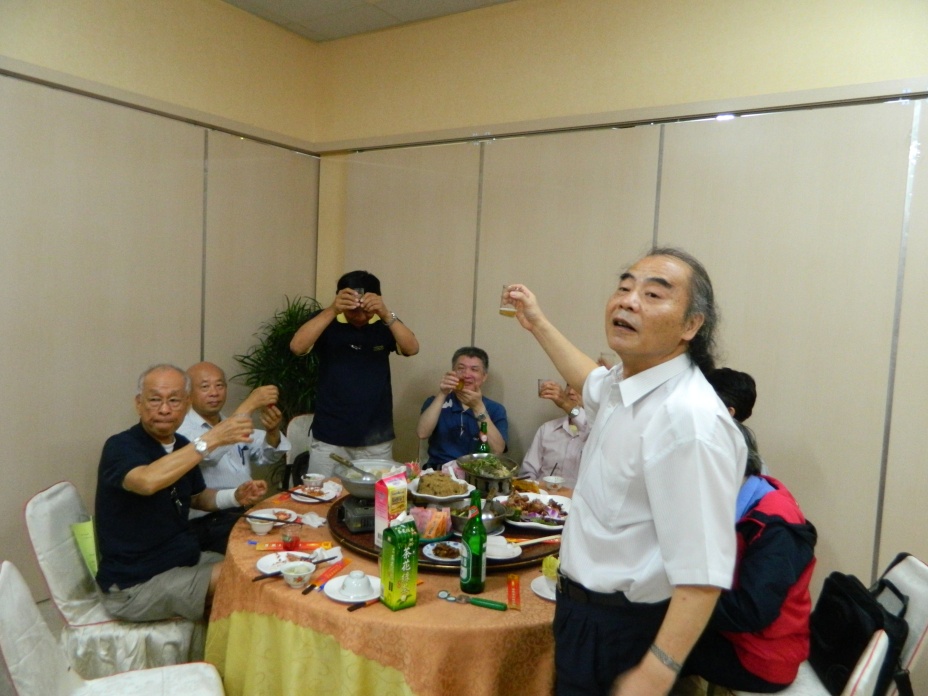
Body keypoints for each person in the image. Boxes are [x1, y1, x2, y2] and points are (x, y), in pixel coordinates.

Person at [506, 247, 745, 696]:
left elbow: (704, 573)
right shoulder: (626, 381)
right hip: (583, 614)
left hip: (627, 632)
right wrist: (536, 321)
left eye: (653, 294)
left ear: (691, 325)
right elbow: (588, 381)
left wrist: (657, 671)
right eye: (624, 286)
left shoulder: (689, 421)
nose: (629, 300)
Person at [95, 364, 265, 622]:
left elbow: (198, 497)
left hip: (182, 559)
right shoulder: (120, 446)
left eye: (174, 401)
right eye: (155, 400)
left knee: (256, 560)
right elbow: (147, 481)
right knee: (246, 578)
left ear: (186, 405)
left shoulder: (182, 445)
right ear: (139, 403)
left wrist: (235, 496)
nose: (165, 409)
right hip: (135, 583)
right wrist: (211, 440)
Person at [682, 421, 817, 692]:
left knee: (653, 639)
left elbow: (751, 611)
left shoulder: (776, 526)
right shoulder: (746, 497)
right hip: (740, 638)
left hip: (762, 658)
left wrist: (679, 595)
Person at [289, 270, 419, 477]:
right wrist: (333, 309)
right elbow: (297, 347)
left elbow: (412, 348)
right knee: (324, 492)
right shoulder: (326, 319)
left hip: (376, 437)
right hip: (330, 435)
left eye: (365, 311)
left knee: (375, 494)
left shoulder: (385, 322)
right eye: (353, 311)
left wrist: (385, 313)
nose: (360, 316)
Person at [178, 361, 290, 553]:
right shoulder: (181, 428)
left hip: (244, 509)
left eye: (219, 385)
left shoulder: (231, 421)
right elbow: (208, 455)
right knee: (266, 550)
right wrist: (250, 404)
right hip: (208, 518)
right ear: (188, 394)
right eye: (205, 387)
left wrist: (272, 432)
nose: (214, 392)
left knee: (292, 531)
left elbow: (268, 457)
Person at [416, 346, 508, 469]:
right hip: (438, 472)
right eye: (461, 368)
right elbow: (422, 433)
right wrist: (443, 393)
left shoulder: (495, 409)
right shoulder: (435, 401)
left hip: (476, 473)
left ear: (484, 376)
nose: (466, 375)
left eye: (474, 369)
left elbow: (498, 449)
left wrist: (478, 408)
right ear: (452, 372)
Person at [520, 381, 589, 488]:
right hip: (540, 495)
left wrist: (566, 404)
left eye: (577, 386)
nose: (571, 391)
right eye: (568, 386)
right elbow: (527, 473)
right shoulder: (547, 429)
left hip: (575, 498)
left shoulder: (598, 434)